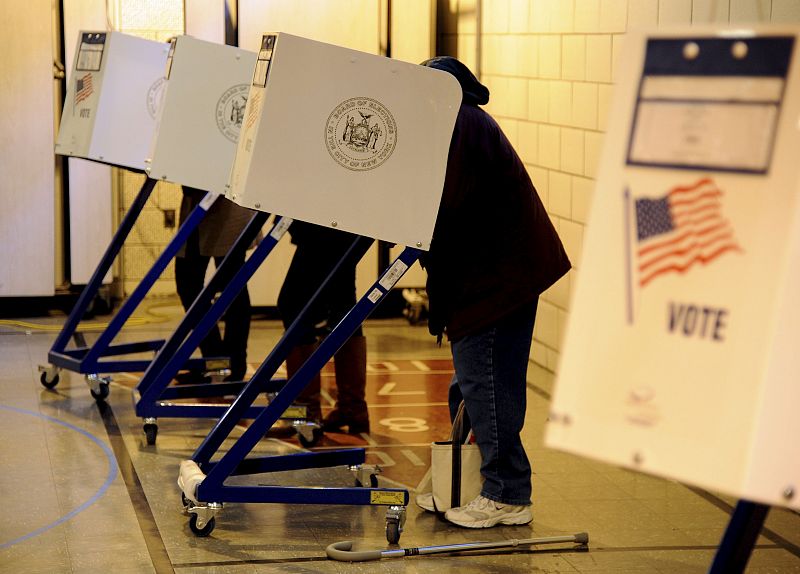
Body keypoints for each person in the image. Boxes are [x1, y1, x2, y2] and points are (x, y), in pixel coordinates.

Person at [416, 56, 571, 528]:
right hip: (495, 274)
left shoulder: (462, 124)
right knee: (471, 385)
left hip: (497, 280)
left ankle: (508, 494)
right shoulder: (464, 122)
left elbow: (444, 205)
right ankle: (469, 480)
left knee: (487, 385)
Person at [277, 221, 372, 433]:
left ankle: (307, 413)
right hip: (346, 222)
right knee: (342, 303)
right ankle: (353, 408)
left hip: (327, 223)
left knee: (293, 304)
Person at [174, 186, 255, 383]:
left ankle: (233, 363)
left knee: (233, 290)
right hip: (199, 204)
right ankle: (215, 360)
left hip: (228, 206)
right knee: (188, 284)